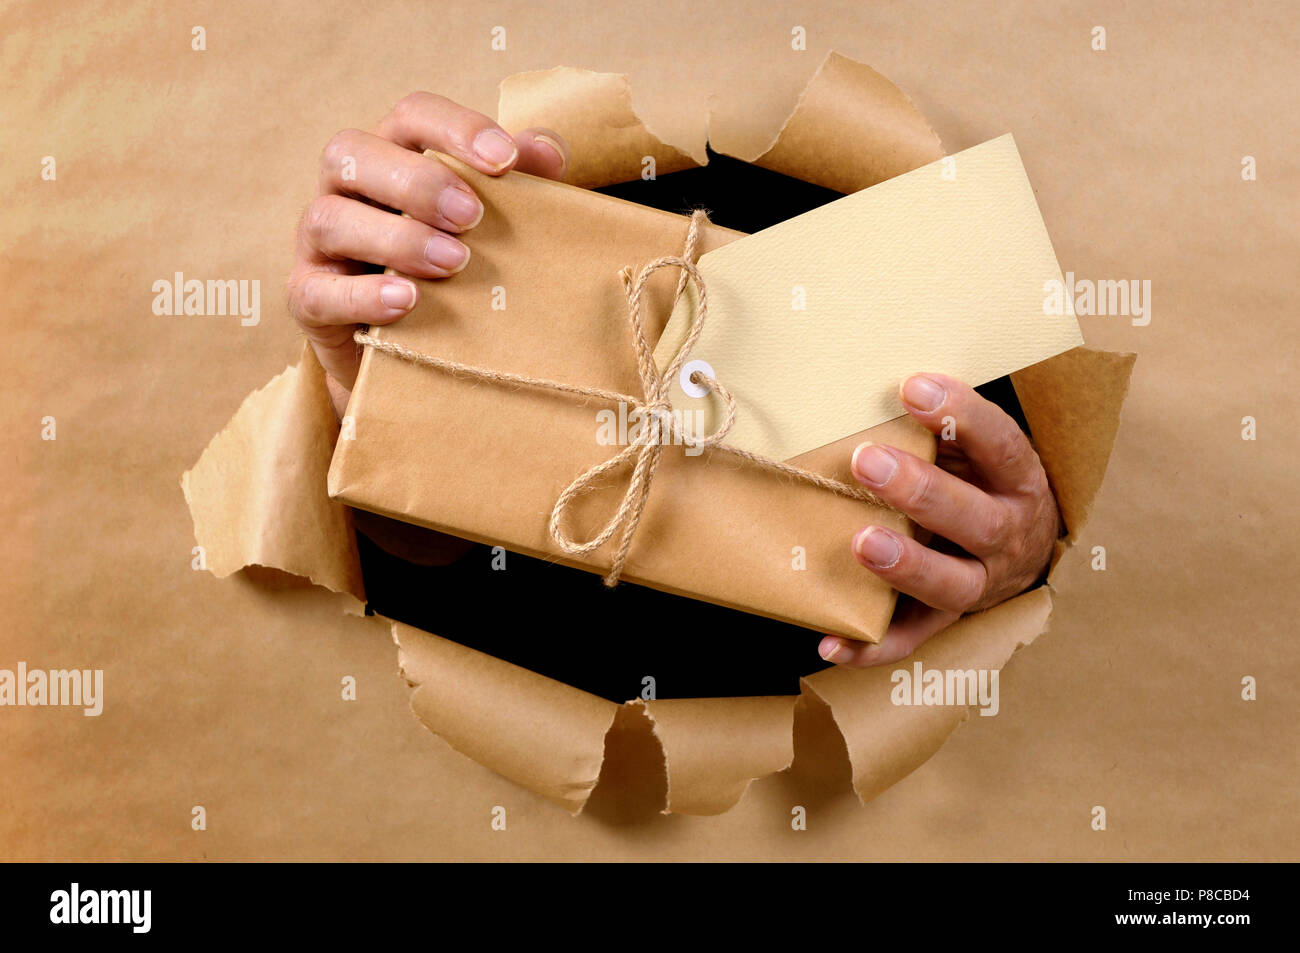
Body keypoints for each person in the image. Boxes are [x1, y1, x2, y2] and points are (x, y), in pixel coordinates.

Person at [288, 92, 1062, 671]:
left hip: (868, 736)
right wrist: (378, 403)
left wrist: (1024, 551)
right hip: (546, 689)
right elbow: (437, 570)